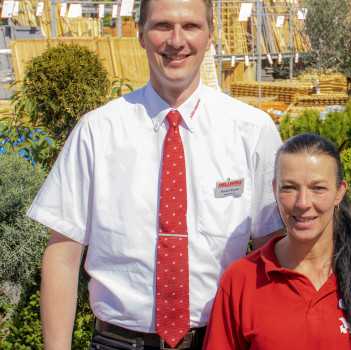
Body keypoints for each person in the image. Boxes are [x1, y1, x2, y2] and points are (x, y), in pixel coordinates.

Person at [27, 0, 284, 348]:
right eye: (162, 25)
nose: (177, 41)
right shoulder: (96, 132)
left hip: (221, 339)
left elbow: (274, 248)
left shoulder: (252, 131)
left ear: (210, 37)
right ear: (141, 34)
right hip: (118, 342)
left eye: (191, 26)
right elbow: (63, 253)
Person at [203, 133, 351, 350]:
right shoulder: (241, 280)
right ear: (274, 190)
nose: (303, 202)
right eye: (289, 187)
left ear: (339, 193)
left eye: (318, 188)